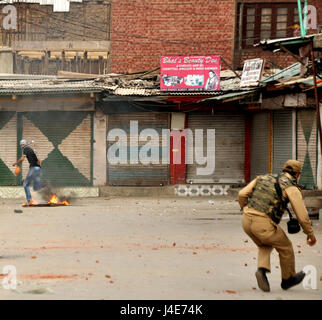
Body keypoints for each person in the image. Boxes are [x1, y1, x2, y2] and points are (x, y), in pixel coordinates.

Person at [238, 160, 317, 292]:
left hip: (246, 220)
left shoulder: (263, 177)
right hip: (263, 223)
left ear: (284, 169)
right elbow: (302, 216)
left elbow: (241, 194)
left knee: (265, 244)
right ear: (297, 174)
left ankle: (261, 270)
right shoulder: (291, 187)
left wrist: (244, 208)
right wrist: (310, 234)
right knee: (285, 246)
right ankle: (288, 279)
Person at [12, 139, 43, 205]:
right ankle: (44, 186)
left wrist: (15, 163)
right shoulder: (33, 150)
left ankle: (29, 200)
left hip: (33, 168)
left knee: (25, 184)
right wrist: (39, 168)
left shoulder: (25, 149)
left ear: (22, 145)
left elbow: (22, 159)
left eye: (21, 145)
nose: (21, 146)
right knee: (36, 187)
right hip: (38, 168)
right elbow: (40, 161)